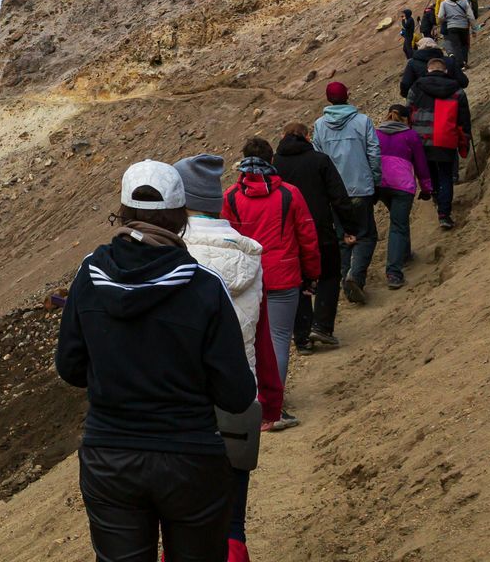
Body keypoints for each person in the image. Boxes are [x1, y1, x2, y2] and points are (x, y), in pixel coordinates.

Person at [55, 160, 256, 562]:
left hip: (110, 456)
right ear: (180, 218)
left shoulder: (89, 277)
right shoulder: (203, 286)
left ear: (123, 214)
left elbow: (70, 367)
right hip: (191, 458)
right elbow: (237, 394)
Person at [175, 154, 281, 562]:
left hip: (182, 406)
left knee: (182, 523)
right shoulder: (250, 257)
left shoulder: (169, 259)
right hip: (240, 402)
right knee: (232, 523)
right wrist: (269, 400)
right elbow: (263, 337)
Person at [223, 139, 319, 408]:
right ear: (272, 159)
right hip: (283, 275)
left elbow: (227, 239)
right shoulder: (289, 193)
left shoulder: (231, 196)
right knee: (278, 339)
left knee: (246, 340)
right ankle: (272, 403)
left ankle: (249, 399)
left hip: (244, 278)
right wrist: (311, 274)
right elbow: (307, 237)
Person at [271, 123, 358, 352]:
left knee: (297, 280)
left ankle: (302, 338)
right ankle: (321, 326)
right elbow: (338, 196)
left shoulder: (275, 163)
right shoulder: (320, 160)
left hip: (287, 231)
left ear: (283, 136)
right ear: (308, 137)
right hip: (320, 228)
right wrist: (349, 226)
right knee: (329, 274)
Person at [311, 82, 381, 305]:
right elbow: (373, 152)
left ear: (328, 99)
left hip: (335, 193)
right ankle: (355, 277)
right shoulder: (363, 121)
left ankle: (345, 281)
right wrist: (375, 179)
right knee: (366, 234)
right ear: (347, 96)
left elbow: (318, 159)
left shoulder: (320, 126)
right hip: (361, 187)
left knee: (343, 238)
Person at [409, 58, 473, 231]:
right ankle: (444, 214)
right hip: (446, 137)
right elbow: (464, 118)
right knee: (446, 174)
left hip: (422, 137)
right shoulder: (457, 90)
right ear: (445, 71)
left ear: (428, 70)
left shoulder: (416, 87)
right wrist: (464, 138)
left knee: (431, 172)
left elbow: (409, 111)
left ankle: (436, 196)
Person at [372, 104, 432, 290]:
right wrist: (427, 188)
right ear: (407, 119)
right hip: (402, 186)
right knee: (398, 225)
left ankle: (405, 254)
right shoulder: (410, 135)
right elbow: (421, 164)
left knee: (399, 220)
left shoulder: (375, 133)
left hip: (380, 184)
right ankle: (394, 272)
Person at [399, 37, 466, 98]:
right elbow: (463, 82)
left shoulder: (412, 64)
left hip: (425, 103)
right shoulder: (450, 60)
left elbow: (405, 85)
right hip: (451, 100)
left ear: (419, 48)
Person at [438, 0, 473, 65]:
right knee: (464, 44)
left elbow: (440, 16)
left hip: (452, 27)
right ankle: (465, 61)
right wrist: (473, 28)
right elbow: (471, 16)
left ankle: (460, 64)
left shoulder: (444, 3)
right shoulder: (464, 1)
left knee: (455, 45)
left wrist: (446, 20)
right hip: (464, 26)